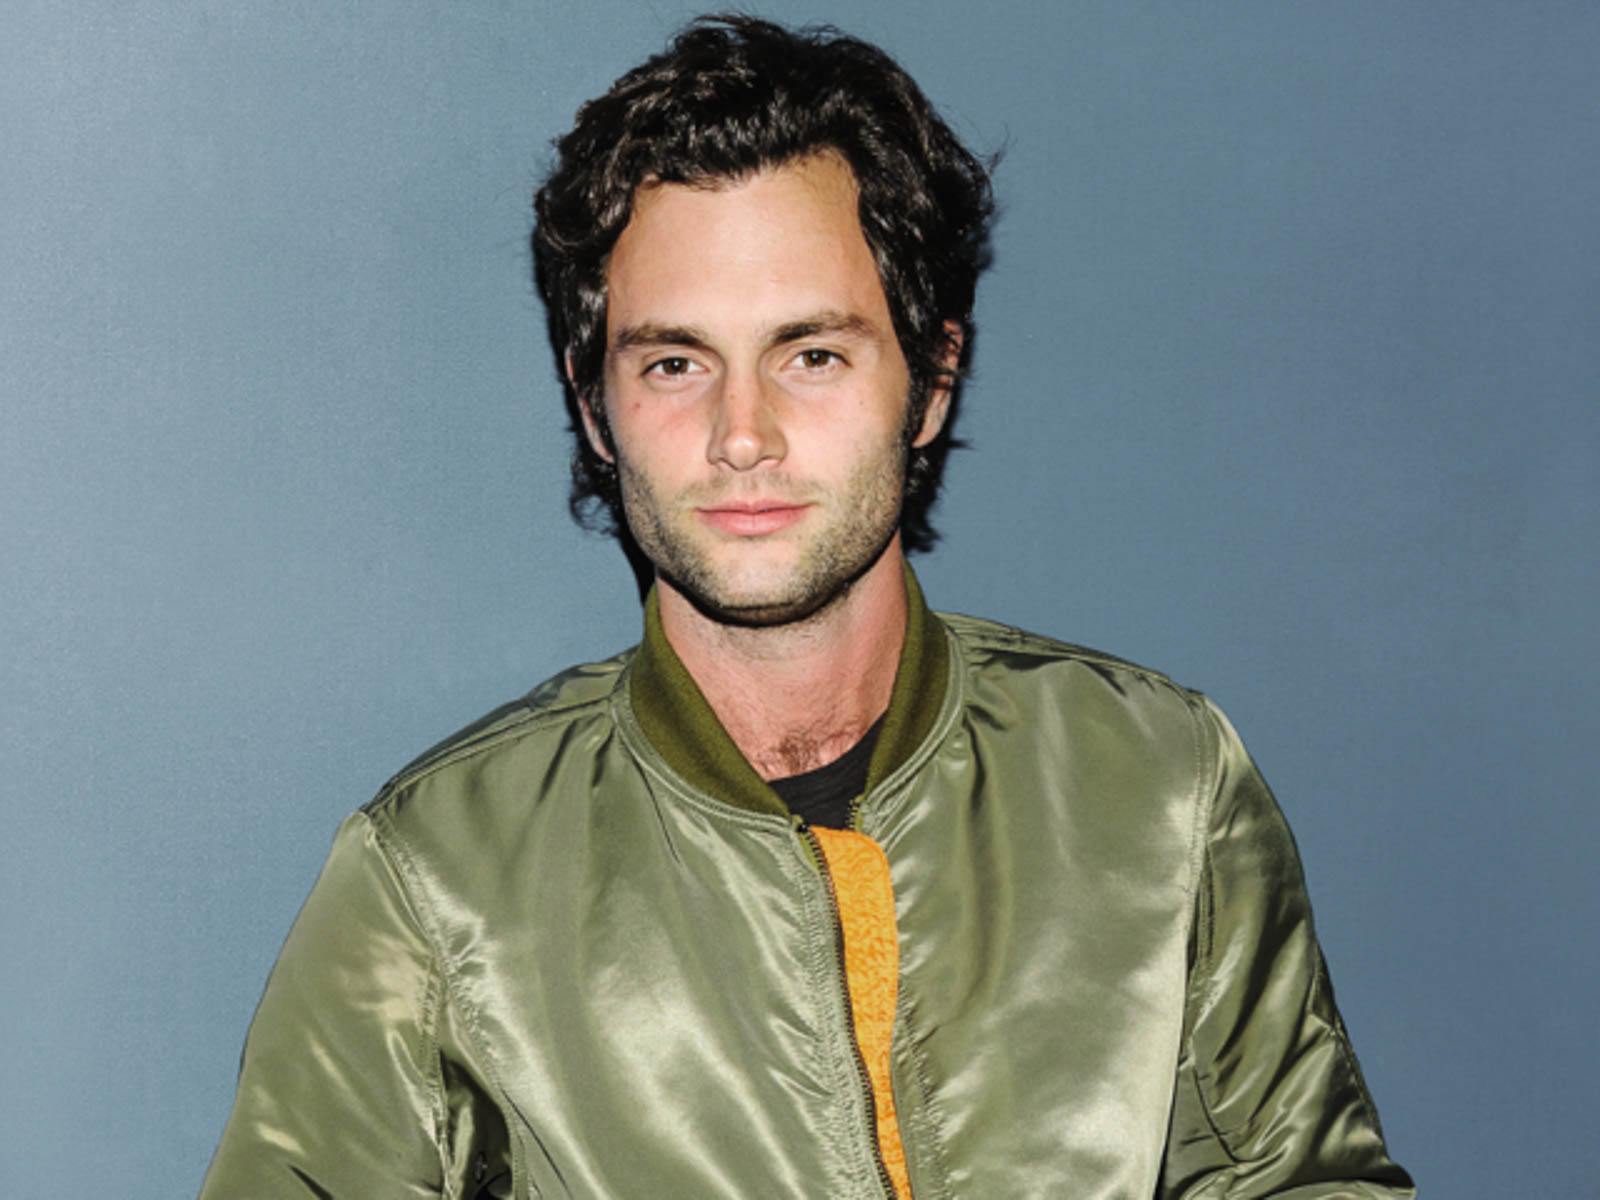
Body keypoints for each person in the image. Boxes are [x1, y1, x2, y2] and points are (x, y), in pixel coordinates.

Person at [202, 16, 1414, 1199]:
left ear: (930, 383)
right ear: (594, 409)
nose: (742, 434)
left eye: (811, 355)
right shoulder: (434, 881)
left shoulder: (1159, 783)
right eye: (675, 362)